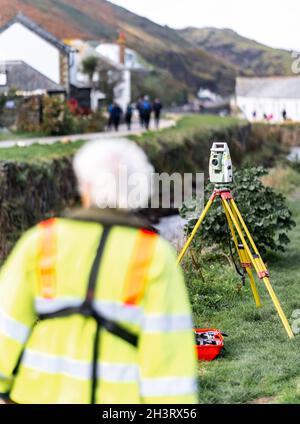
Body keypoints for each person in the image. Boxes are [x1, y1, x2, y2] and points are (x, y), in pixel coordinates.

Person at [0, 139, 198, 404]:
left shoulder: (40, 242)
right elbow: (169, 360)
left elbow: (5, 328)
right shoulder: (154, 255)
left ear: (86, 187)